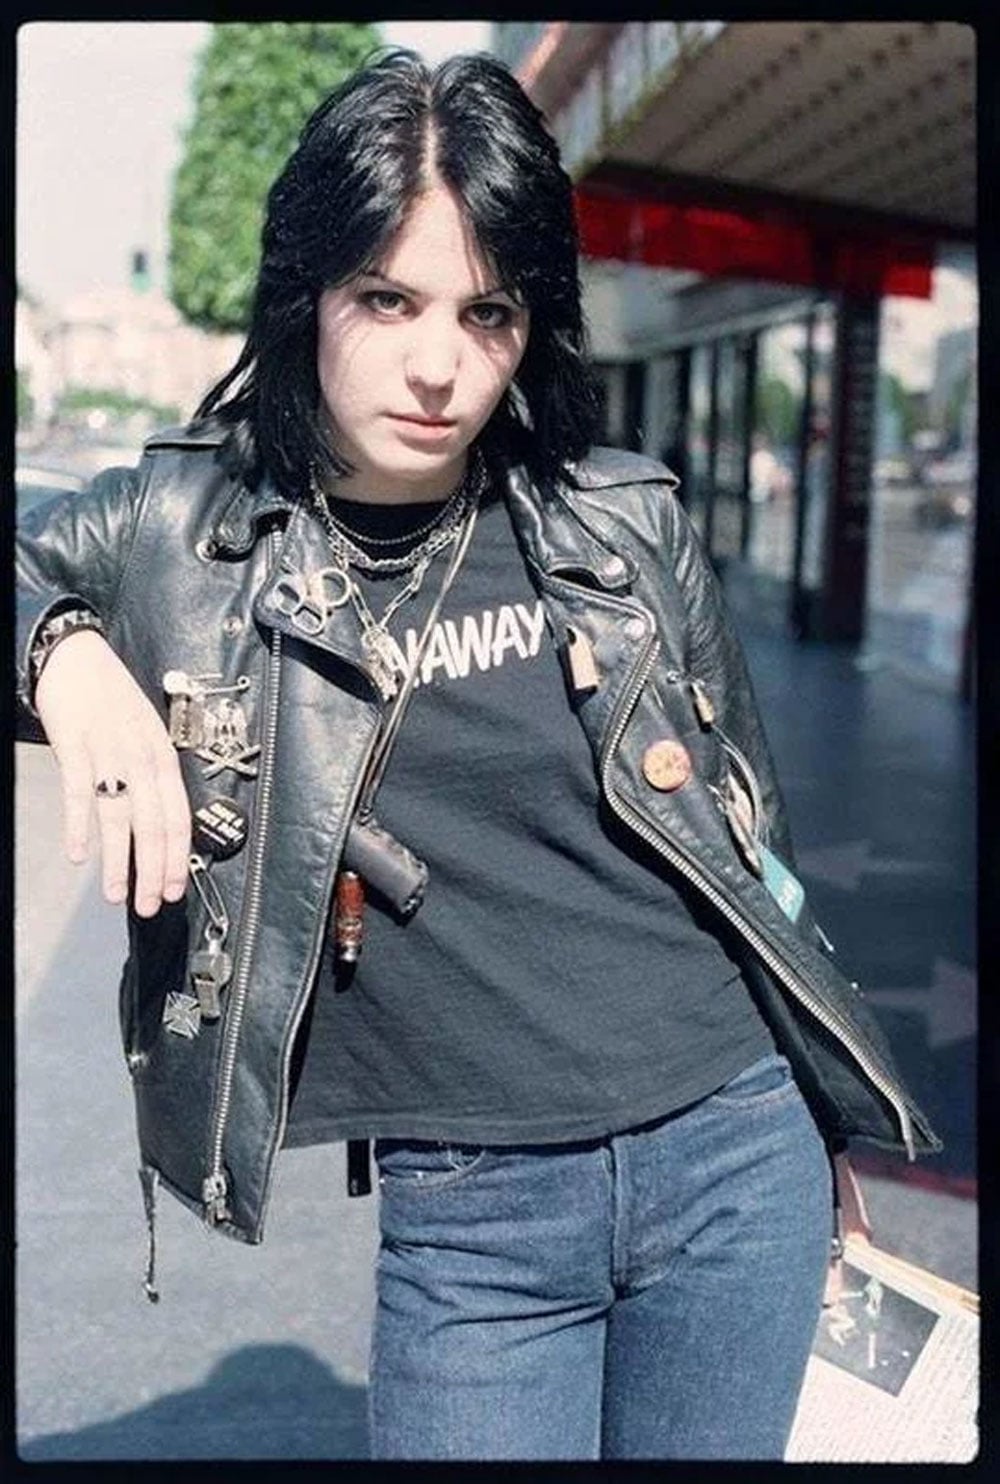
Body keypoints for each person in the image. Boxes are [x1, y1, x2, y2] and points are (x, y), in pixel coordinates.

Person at [16, 49, 940, 1461]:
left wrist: (822, 1118)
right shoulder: (185, 532)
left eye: (486, 311)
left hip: (734, 1153)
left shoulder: (621, 522)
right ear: (308, 292)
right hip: (477, 1214)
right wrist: (67, 655)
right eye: (387, 299)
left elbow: (753, 844)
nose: (439, 364)